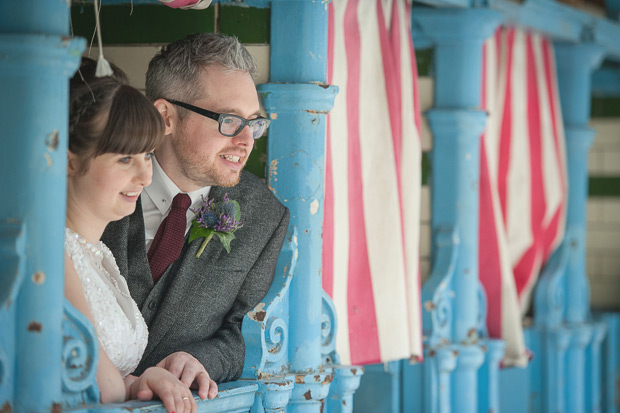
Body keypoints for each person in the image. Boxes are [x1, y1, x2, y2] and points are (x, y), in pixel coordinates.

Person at [101, 33, 289, 395]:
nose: (246, 141)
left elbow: (242, 332)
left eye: (254, 122)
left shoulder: (265, 216)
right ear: (165, 117)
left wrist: (200, 358)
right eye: (230, 120)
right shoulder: (101, 182)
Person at [65, 58, 199, 413]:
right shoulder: (50, 250)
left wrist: (141, 381)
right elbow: (97, 384)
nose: (144, 176)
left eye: (147, 155)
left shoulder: (97, 253)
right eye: (126, 159)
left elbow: (108, 378)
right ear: (70, 161)